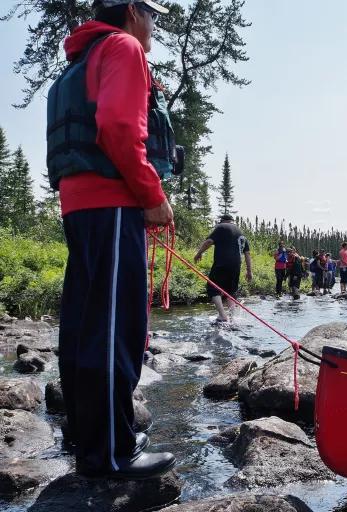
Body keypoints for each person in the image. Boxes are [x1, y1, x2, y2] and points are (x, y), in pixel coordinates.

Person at [48, 0, 176, 479]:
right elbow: (120, 128)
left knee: (83, 326)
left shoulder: (80, 62)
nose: (155, 25)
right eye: (153, 15)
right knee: (114, 329)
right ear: (131, 12)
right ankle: (112, 454)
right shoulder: (123, 47)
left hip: (79, 209)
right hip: (113, 206)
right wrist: (152, 195)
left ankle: (88, 441)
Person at [194, 214, 253, 321]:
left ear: (222, 221)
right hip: (236, 265)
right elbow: (247, 254)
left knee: (212, 288)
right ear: (232, 221)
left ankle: (222, 315)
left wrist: (199, 253)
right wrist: (249, 271)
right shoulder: (241, 233)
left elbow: (209, 242)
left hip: (222, 263)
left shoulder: (221, 228)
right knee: (231, 291)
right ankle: (233, 316)